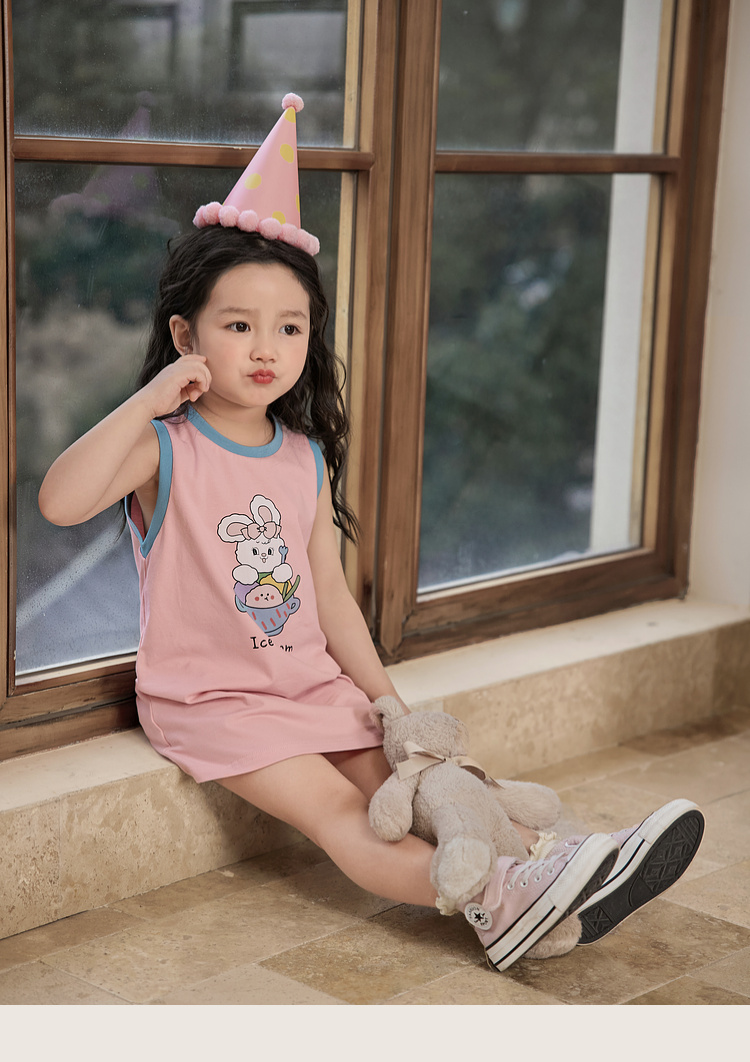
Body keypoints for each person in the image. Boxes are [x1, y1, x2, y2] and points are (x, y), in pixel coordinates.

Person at [38, 95, 704, 974]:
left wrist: (390, 705)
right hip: (215, 703)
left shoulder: (301, 455)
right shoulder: (164, 447)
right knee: (345, 816)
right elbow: (60, 502)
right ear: (184, 333)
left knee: (422, 784)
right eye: (238, 326)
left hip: (311, 682)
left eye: (289, 327)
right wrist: (149, 397)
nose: (266, 349)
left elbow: (328, 595)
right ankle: (504, 898)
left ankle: (553, 862)